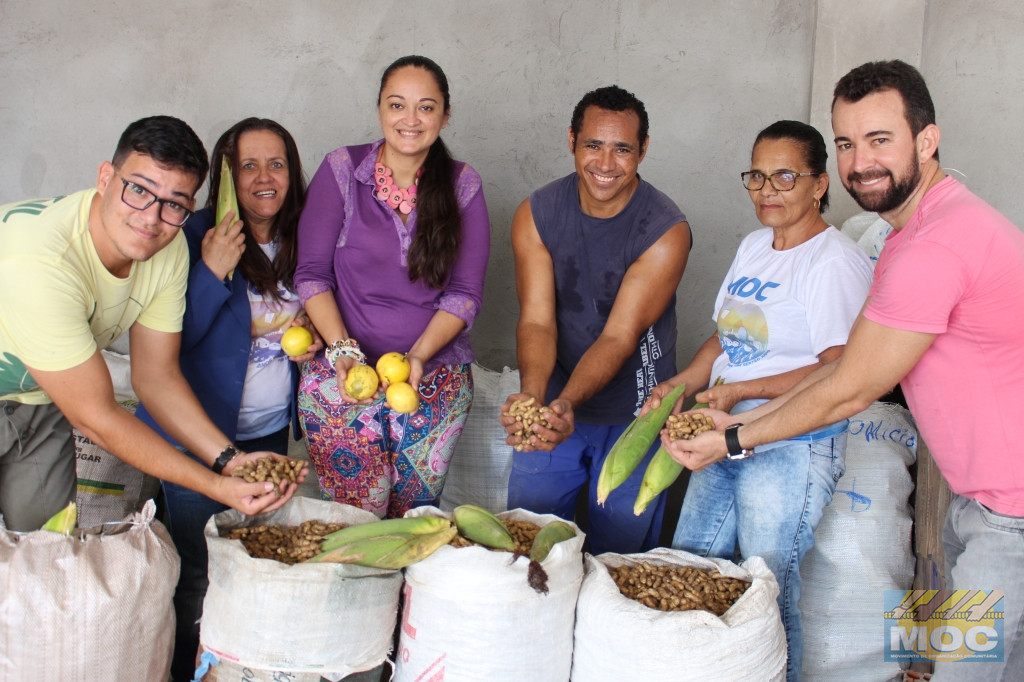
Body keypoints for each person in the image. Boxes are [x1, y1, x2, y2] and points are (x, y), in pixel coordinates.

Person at [668, 60, 1024, 680]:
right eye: (847, 143)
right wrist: (728, 410)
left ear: (926, 141)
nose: (861, 162)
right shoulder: (909, 237)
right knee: (992, 662)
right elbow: (838, 372)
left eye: (880, 140)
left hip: (1011, 518)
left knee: (967, 670)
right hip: (981, 502)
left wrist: (730, 437)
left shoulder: (933, 247)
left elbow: (848, 386)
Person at [644, 120, 873, 681]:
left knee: (765, 582)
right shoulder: (754, 246)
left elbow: (838, 368)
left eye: (785, 176)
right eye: (757, 176)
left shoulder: (833, 260)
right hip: (723, 422)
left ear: (819, 184)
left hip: (795, 437)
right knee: (694, 563)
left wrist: (742, 390)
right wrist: (683, 381)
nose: (767, 189)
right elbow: (727, 336)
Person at [0, 116, 299, 535]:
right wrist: (216, 484)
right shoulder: (41, 264)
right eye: (138, 189)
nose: (151, 217)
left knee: (44, 549)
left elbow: (155, 376)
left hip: (39, 396)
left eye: (174, 203)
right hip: (44, 388)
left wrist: (228, 459)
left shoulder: (169, 247)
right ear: (106, 177)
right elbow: (96, 417)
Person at [135, 117, 318, 681]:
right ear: (225, 176)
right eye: (249, 166)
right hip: (195, 436)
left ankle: (235, 669)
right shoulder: (189, 236)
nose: (264, 177)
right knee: (198, 568)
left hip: (265, 435)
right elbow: (166, 347)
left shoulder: (306, 240)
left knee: (251, 556)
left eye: (277, 164)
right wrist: (211, 272)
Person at [499, 85, 692, 555]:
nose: (606, 163)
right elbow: (538, 321)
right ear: (571, 140)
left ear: (643, 150)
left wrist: (564, 401)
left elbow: (620, 336)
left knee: (618, 559)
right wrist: (536, 399)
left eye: (622, 148)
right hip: (555, 399)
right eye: (593, 145)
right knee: (528, 547)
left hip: (637, 413)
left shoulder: (666, 230)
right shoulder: (537, 214)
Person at [295, 55, 490, 519]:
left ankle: (408, 596)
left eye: (426, 107)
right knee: (351, 522)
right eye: (397, 104)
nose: (410, 119)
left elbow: (464, 293)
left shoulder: (463, 185)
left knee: (414, 525)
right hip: (340, 384)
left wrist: (418, 356)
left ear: (445, 115)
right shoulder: (342, 171)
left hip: (433, 384)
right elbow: (312, 274)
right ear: (380, 108)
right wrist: (342, 349)